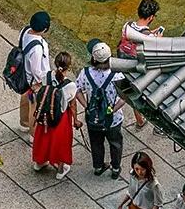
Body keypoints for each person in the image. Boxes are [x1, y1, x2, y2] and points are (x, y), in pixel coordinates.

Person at [78, 41, 126, 178]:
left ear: (93, 58)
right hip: (113, 119)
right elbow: (124, 97)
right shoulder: (117, 75)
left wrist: (87, 106)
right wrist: (113, 109)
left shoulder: (85, 73)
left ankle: (98, 167)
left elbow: (77, 91)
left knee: (96, 143)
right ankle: (115, 169)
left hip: (93, 117)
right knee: (115, 143)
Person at [31, 50, 81, 180]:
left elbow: (38, 88)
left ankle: (39, 162)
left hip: (44, 114)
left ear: (55, 63)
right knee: (61, 142)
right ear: (68, 67)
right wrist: (76, 120)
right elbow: (72, 105)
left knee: (43, 138)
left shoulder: (46, 76)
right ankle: (60, 169)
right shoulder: (70, 85)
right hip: (60, 118)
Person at [118, 0, 164, 126]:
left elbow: (136, 35)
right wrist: (157, 40)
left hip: (123, 62)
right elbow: (154, 53)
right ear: (151, 17)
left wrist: (150, 33)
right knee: (141, 92)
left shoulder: (127, 25)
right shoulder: (149, 37)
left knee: (131, 92)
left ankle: (139, 121)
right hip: (137, 68)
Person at [17, 11, 51, 133]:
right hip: (33, 81)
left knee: (25, 100)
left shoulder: (25, 31)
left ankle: (24, 123)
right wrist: (42, 82)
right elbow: (36, 70)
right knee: (34, 107)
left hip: (24, 75)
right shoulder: (37, 47)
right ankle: (33, 133)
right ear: (45, 29)